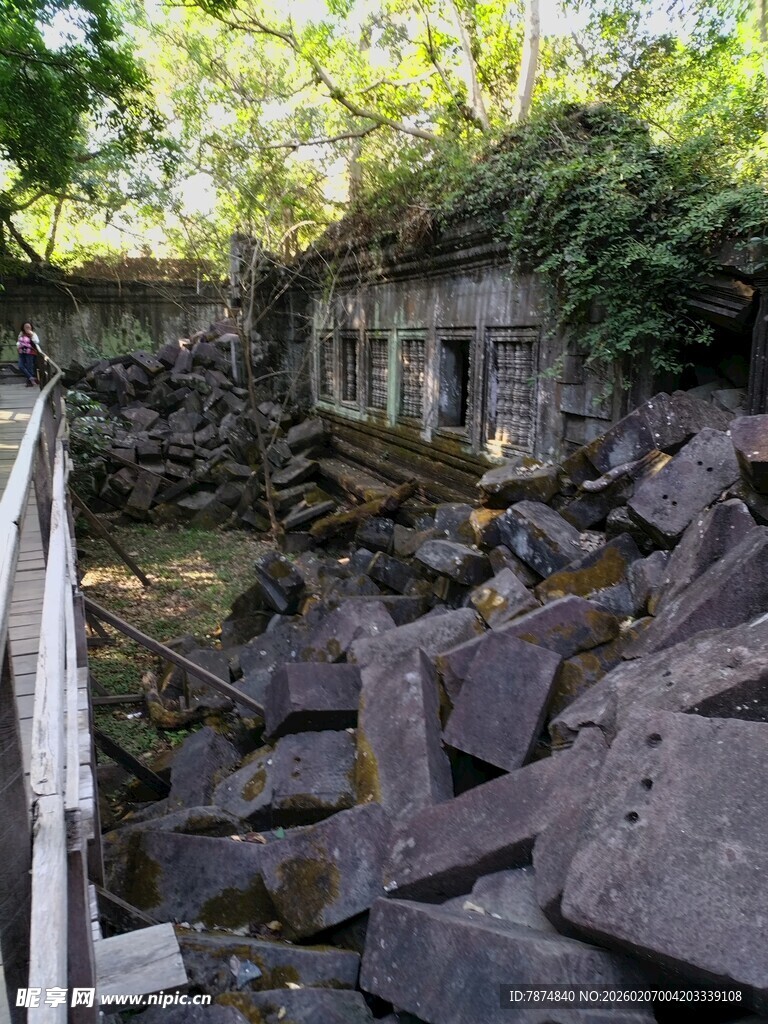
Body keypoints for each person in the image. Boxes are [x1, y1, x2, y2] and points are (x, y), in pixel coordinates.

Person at [17, 321, 40, 387]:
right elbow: (18, 341)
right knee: (20, 366)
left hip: (30, 352)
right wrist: (18, 346)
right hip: (22, 352)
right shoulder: (21, 334)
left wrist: (31, 335)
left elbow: (37, 342)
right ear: (23, 328)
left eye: (28, 327)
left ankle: (29, 382)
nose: (27, 328)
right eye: (26, 327)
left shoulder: (33, 334)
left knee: (29, 367)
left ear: (31, 327)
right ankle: (31, 378)